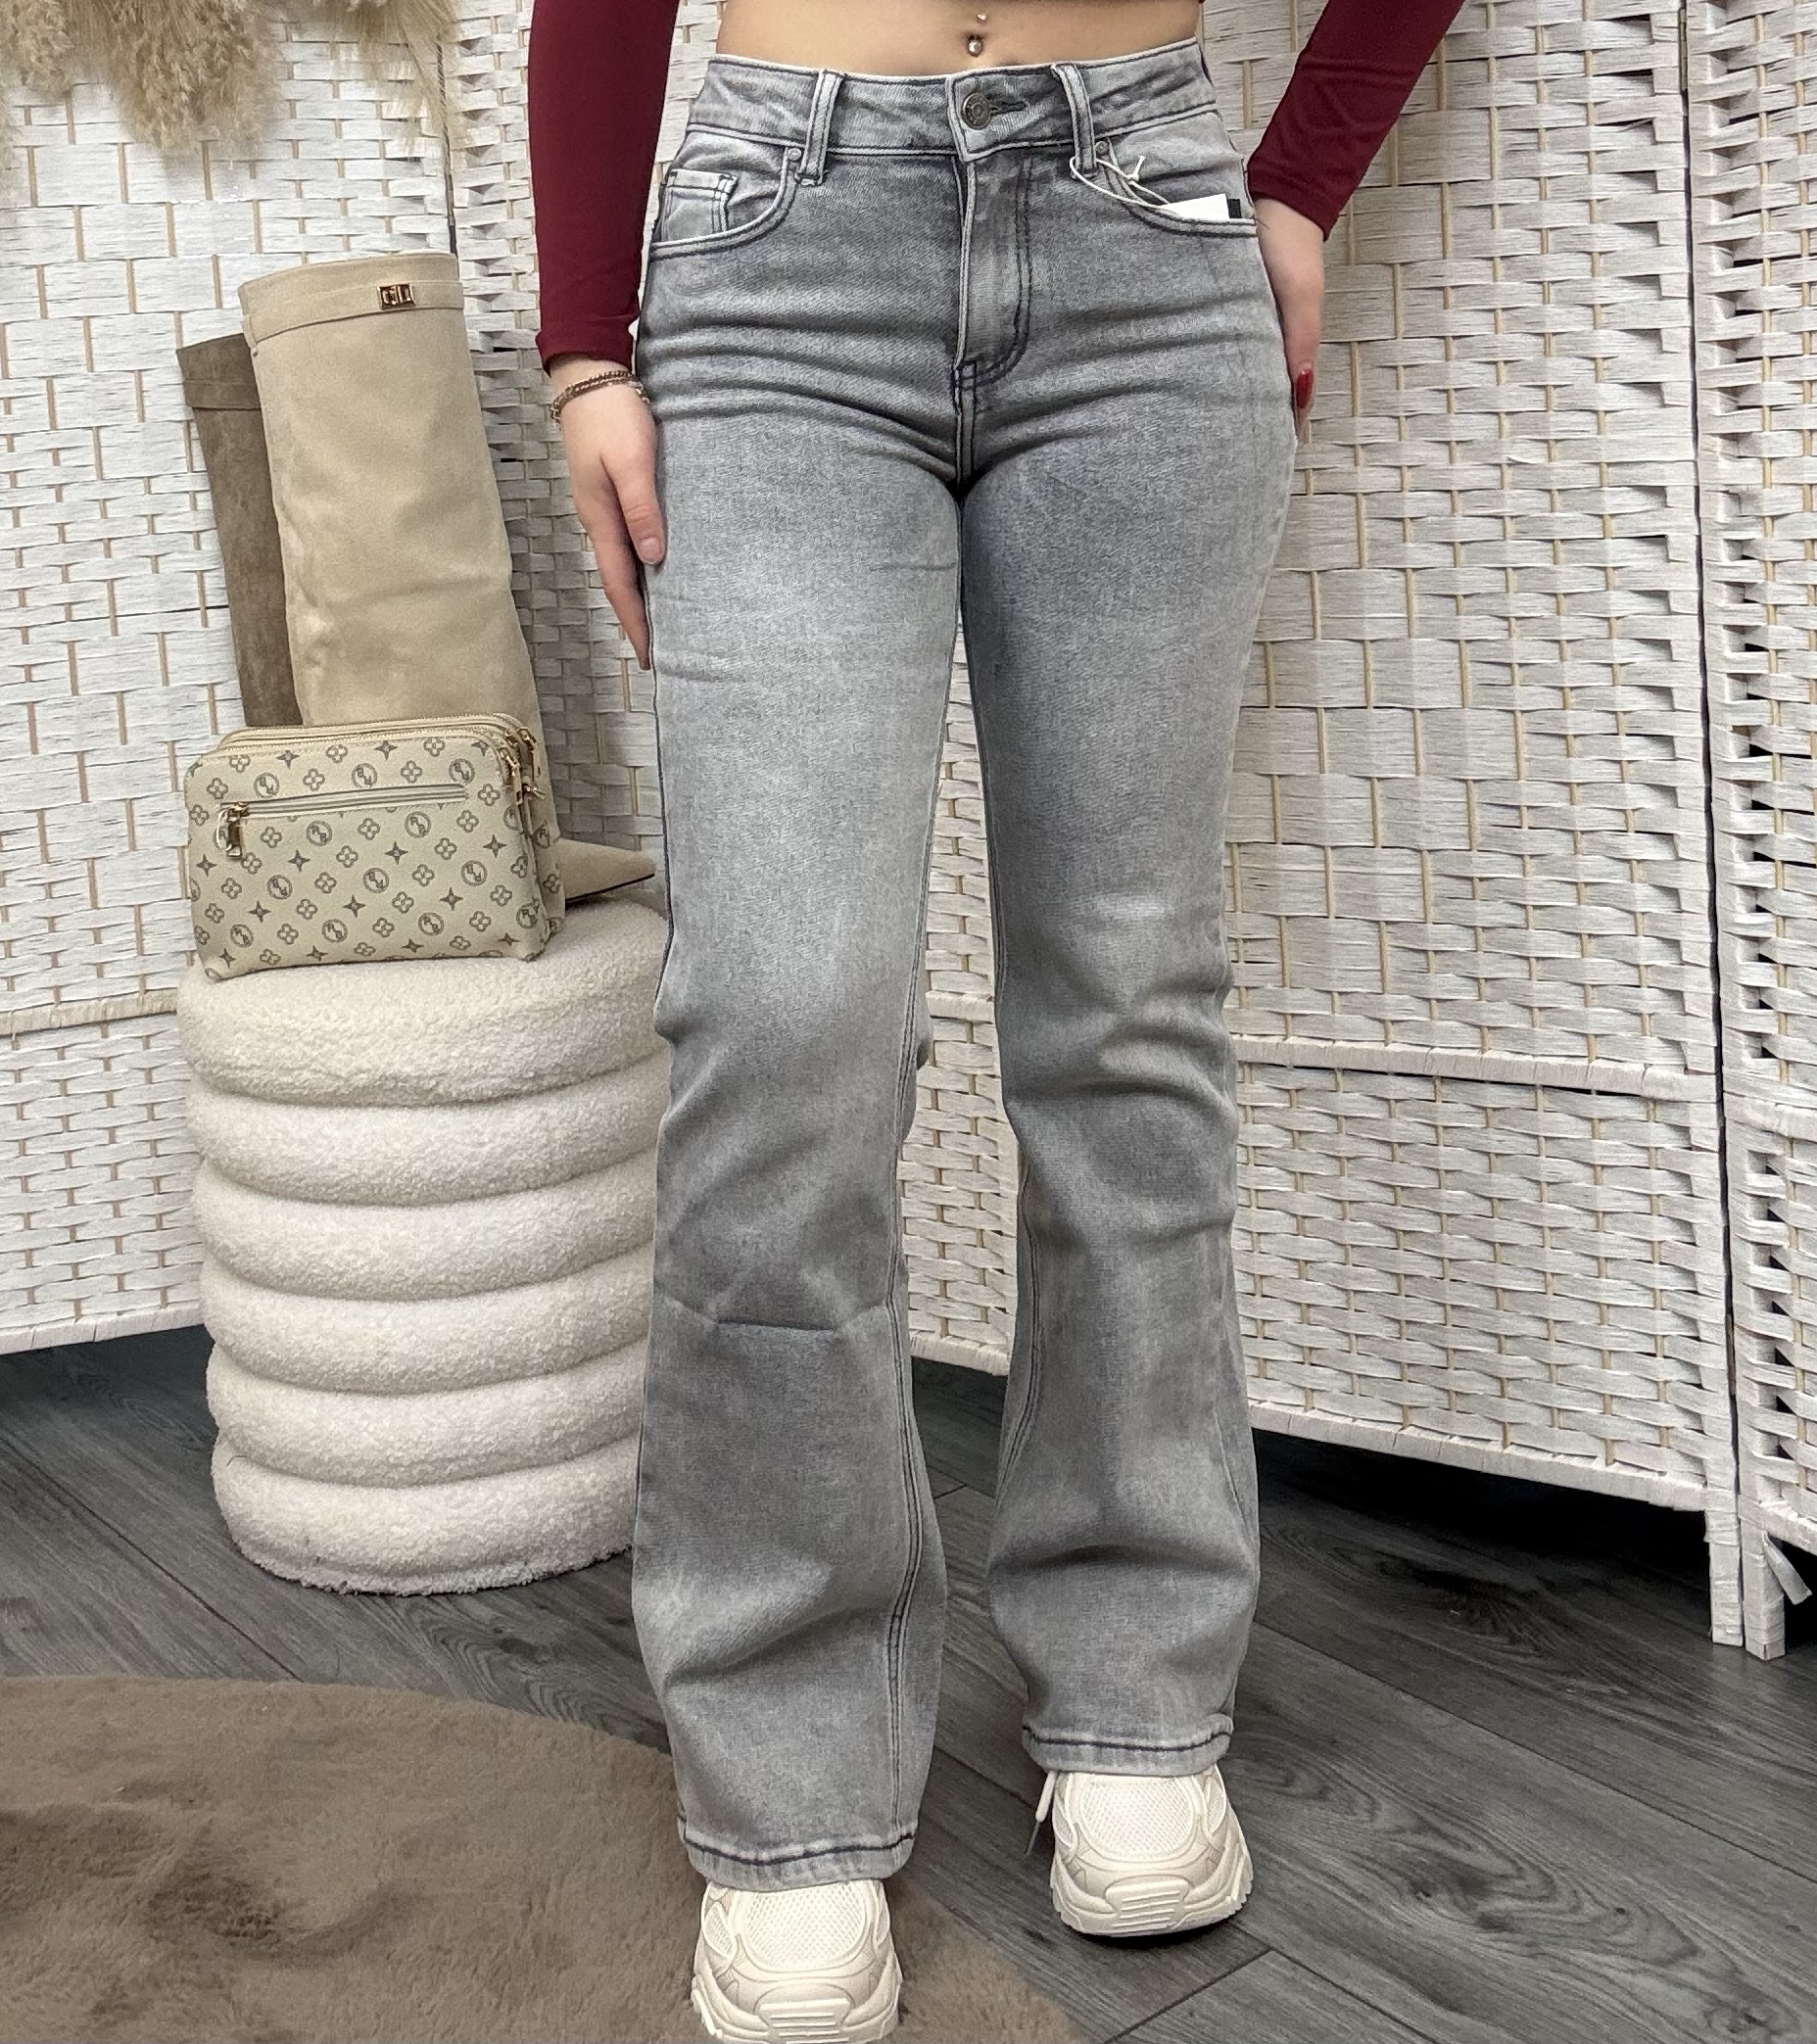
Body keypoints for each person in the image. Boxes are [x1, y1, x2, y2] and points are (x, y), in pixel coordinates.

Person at [528, 4, 1460, 2037]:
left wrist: (1299, 186)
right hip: (779, 258)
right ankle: (785, 1768)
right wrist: (587, 340)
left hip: (1145, 240)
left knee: (1124, 1011)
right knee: (781, 1026)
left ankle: (1136, 1688)